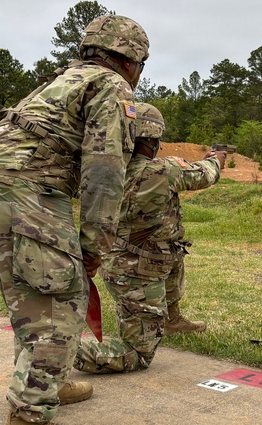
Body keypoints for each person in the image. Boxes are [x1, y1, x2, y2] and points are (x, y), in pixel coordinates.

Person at [0, 15, 148, 425]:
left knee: (31, 294)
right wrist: (94, 247)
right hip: (21, 179)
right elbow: (104, 171)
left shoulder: (63, 79)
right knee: (59, 299)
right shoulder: (112, 87)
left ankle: (44, 383)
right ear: (131, 60)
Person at [74, 103, 225, 374]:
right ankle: (56, 351)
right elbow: (206, 174)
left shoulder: (105, 172)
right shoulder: (163, 170)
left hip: (133, 258)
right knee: (137, 354)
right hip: (137, 272)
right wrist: (216, 160)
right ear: (151, 141)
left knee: (173, 253)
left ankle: (172, 319)